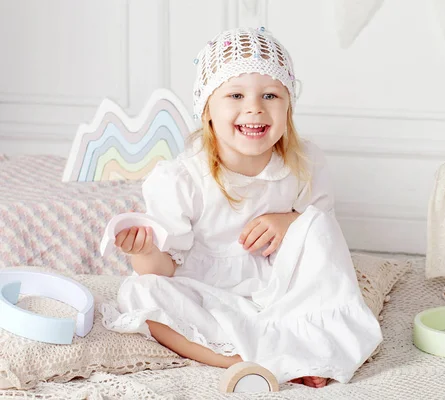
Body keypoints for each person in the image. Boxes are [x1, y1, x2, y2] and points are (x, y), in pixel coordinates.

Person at [101, 27, 382, 389]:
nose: (254, 108)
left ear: (288, 109)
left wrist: (291, 221)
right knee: (138, 293)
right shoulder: (183, 179)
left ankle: (302, 343)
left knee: (319, 228)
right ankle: (247, 360)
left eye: (270, 95)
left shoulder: (304, 163)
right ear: (208, 112)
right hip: (208, 290)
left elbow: (322, 234)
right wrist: (145, 251)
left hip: (281, 289)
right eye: (235, 94)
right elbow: (163, 270)